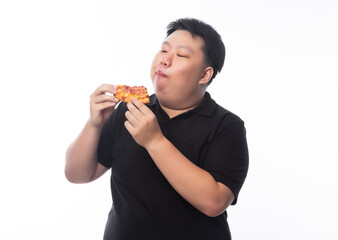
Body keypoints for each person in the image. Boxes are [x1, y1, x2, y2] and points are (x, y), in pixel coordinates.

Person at [65, 18, 249, 240]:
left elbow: (214, 202)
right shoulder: (129, 110)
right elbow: (77, 174)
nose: (165, 60)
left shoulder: (227, 126)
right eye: (163, 50)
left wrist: (155, 141)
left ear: (204, 75)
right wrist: (94, 125)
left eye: (180, 55)